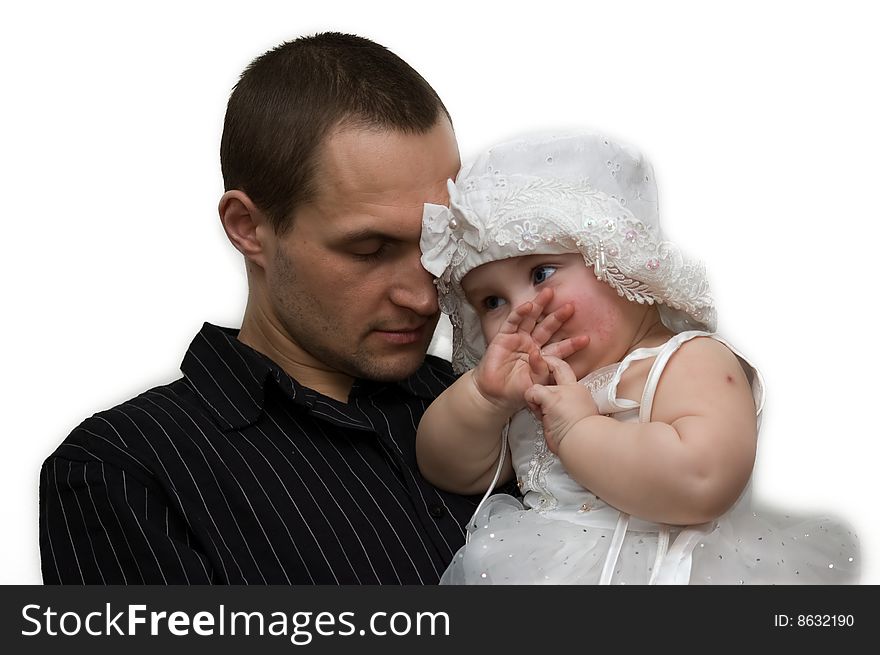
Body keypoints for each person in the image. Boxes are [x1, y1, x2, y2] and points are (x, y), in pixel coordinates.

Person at [40, 32, 480, 584]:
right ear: (248, 228)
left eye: (439, 242)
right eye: (368, 251)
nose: (422, 295)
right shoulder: (128, 470)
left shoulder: (505, 404)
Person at [417, 132, 860, 584]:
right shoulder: (533, 390)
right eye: (491, 302)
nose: (521, 310)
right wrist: (486, 400)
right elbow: (449, 470)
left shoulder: (687, 362)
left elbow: (704, 481)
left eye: (541, 273)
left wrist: (579, 431)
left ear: (618, 260)